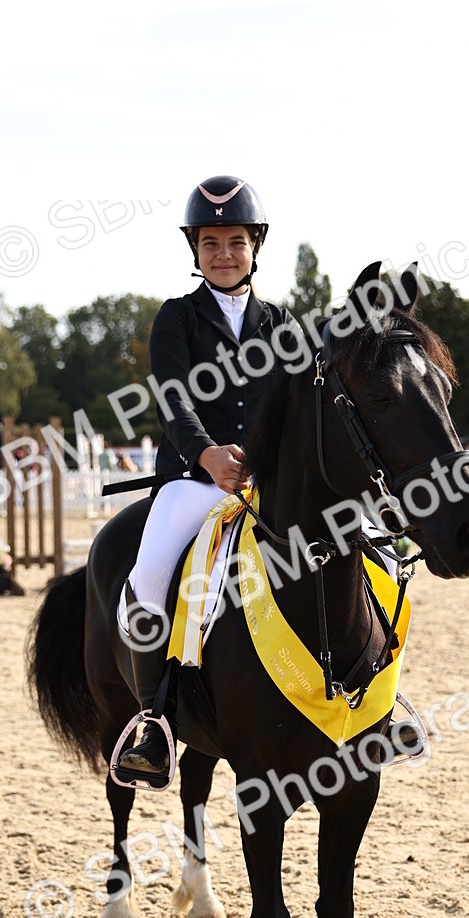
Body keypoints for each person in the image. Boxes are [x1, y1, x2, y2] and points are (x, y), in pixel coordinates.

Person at [116, 176, 296, 787]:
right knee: (149, 573)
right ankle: (154, 720)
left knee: (362, 541)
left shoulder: (280, 322)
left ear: (255, 247)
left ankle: (373, 700)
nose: (224, 253)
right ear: (195, 248)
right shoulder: (177, 318)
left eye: (236, 241)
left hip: (267, 481)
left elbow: (297, 402)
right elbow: (173, 399)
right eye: (212, 241)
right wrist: (208, 455)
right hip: (196, 482)